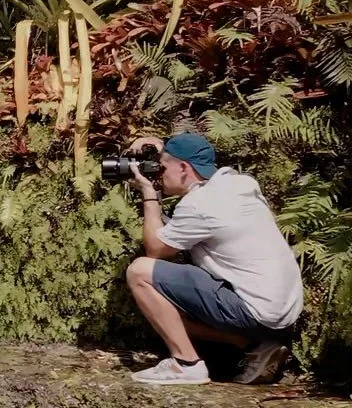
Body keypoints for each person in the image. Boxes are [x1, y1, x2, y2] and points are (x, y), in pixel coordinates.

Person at [123, 132, 302, 385]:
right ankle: (257, 346)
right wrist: (160, 145)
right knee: (172, 313)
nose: (158, 174)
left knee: (140, 272)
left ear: (184, 168)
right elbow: (186, 159)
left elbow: (155, 249)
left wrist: (149, 193)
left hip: (254, 311)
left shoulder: (200, 204)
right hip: (282, 314)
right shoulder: (241, 184)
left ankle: (186, 364)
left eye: (161, 167)